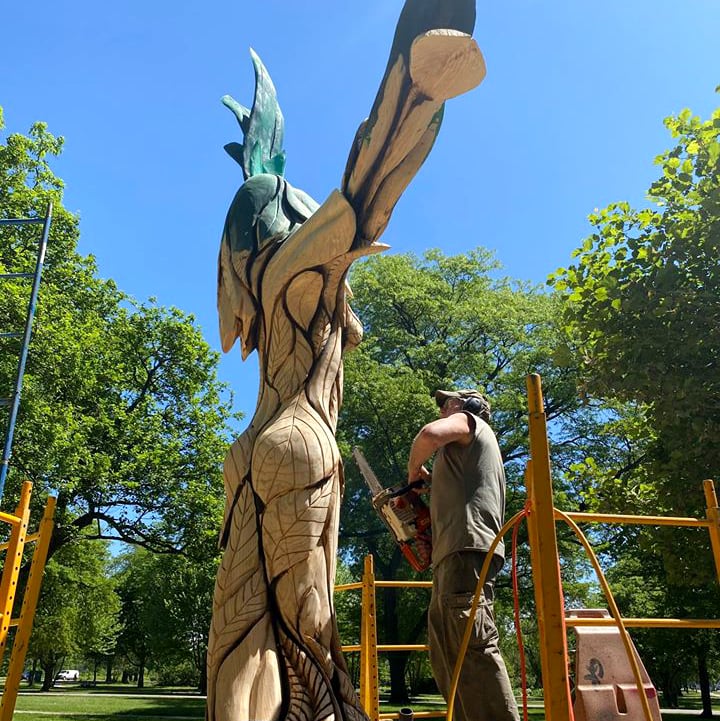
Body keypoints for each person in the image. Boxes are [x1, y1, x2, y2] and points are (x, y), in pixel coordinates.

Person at [407, 389, 519, 721]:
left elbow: (429, 434)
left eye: (447, 403)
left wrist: (414, 472)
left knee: (473, 647)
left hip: (465, 550)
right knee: (446, 652)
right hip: (453, 554)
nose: (442, 409)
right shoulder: (462, 455)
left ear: (466, 406)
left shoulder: (471, 423)